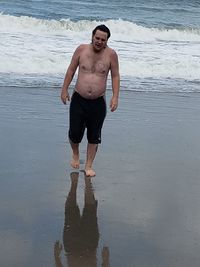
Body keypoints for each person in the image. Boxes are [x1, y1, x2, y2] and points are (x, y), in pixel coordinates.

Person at [61, 24, 120, 177]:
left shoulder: (111, 55)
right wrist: (64, 89)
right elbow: (71, 70)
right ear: (92, 37)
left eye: (103, 39)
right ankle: (75, 153)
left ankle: (88, 165)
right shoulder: (81, 50)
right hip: (78, 99)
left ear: (107, 41)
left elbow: (115, 76)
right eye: (97, 38)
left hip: (98, 103)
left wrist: (115, 96)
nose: (99, 41)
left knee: (94, 135)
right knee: (74, 132)